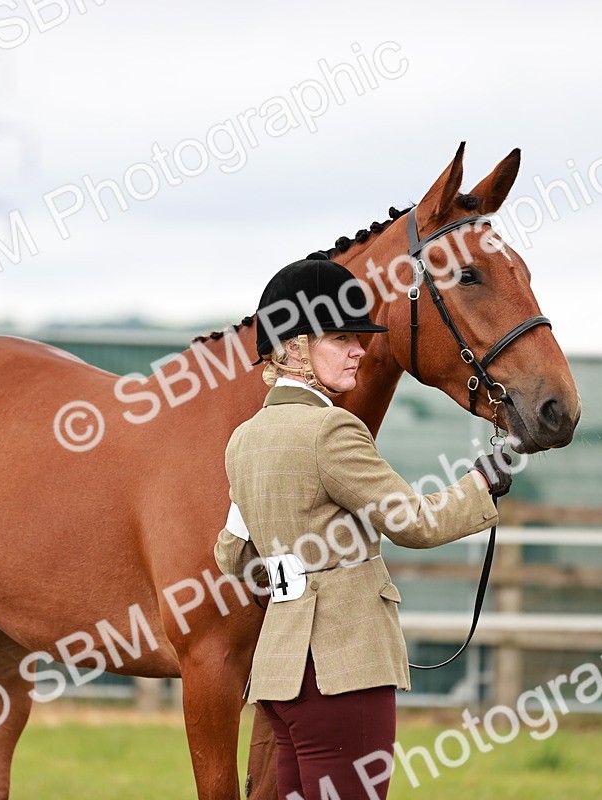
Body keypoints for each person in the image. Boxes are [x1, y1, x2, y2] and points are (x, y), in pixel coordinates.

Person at [214, 259, 512, 800]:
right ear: (297, 346)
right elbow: (415, 523)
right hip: (343, 670)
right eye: (342, 338)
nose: (360, 349)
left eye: (359, 338)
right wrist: (480, 487)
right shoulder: (332, 429)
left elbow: (231, 554)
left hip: (282, 674)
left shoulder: (245, 439)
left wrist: (292, 576)